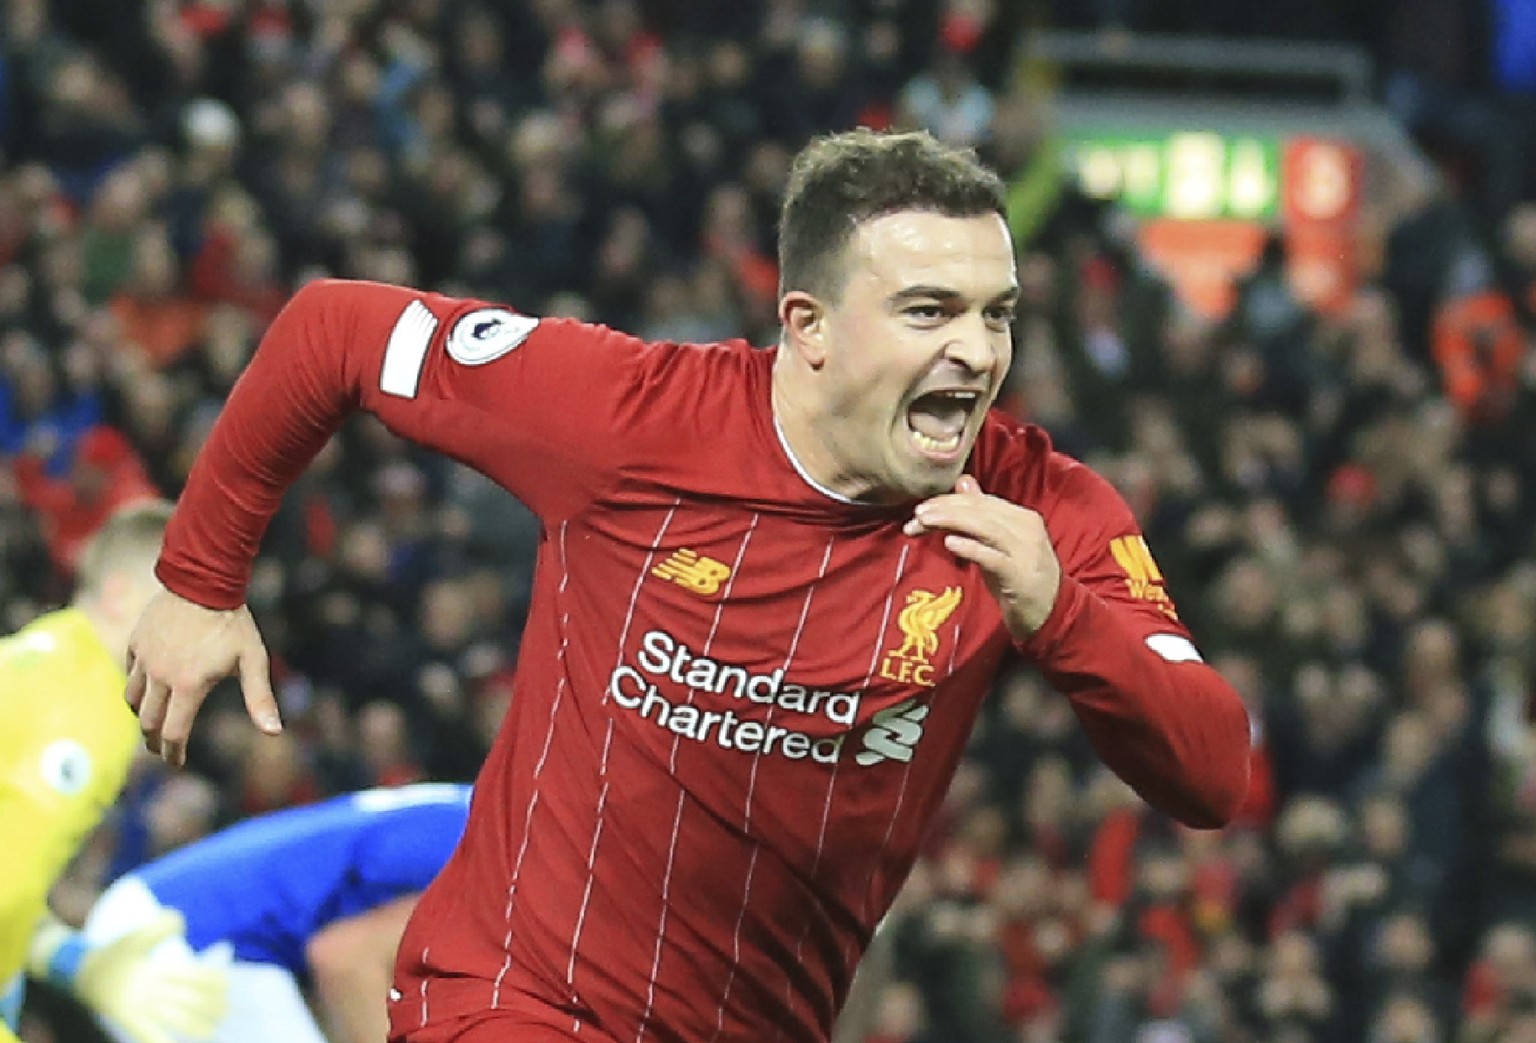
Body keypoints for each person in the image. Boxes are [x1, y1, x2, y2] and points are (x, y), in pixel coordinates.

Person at [124, 129, 1252, 1043]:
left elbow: (1212, 769)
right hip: (514, 1002)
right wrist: (197, 579)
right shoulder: (633, 417)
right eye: (929, 310)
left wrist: (1062, 614)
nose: (977, 349)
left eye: (996, 311)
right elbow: (335, 330)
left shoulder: (1041, 513)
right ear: (806, 327)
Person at [0, 500, 226, 1043]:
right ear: (122, 595)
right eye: (191, 608)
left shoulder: (43, 655)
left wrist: (73, 961)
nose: (210, 641)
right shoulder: (87, 711)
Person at [81, 782, 473, 1043]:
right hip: (185, 937)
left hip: (179, 918)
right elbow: (345, 961)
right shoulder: (509, 864)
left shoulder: (489, 811)